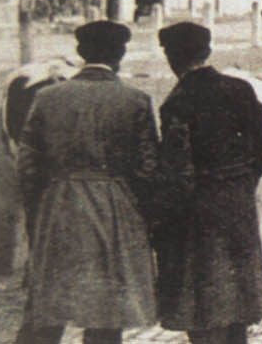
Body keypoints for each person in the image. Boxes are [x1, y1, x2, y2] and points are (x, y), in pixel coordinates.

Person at [15, 21, 160, 344]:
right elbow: (148, 170)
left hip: (59, 208)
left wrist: (39, 212)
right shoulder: (135, 100)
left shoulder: (48, 97)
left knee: (49, 305)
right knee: (107, 313)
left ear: (80, 53)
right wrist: (143, 219)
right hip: (115, 211)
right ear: (120, 54)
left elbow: (27, 166)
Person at [154, 22, 262, 344]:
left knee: (204, 308)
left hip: (199, 213)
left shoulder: (177, 102)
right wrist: (240, 184)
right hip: (238, 206)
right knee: (238, 308)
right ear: (206, 52)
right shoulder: (240, 90)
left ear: (173, 57)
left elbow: (177, 170)